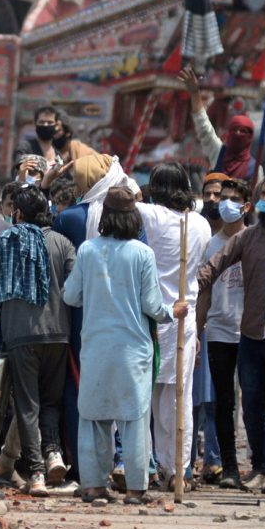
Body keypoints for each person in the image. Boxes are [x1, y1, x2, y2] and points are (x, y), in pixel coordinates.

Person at [63, 187, 181, 504]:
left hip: (97, 347)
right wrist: (174, 313)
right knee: (134, 420)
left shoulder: (87, 250)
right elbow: (153, 306)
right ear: (133, 218)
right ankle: (135, 489)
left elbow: (70, 296)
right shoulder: (142, 254)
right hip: (133, 349)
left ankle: (94, 485)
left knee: (93, 417)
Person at [0, 186, 76, 495]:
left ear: (17, 213)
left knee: (27, 405)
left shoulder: (3, 241)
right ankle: (53, 454)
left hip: (20, 335)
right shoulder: (62, 243)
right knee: (51, 401)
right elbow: (74, 287)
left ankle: (37, 474)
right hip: (58, 334)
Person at [197, 171, 265, 493]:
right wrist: (185, 289)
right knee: (251, 405)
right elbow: (213, 267)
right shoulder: (247, 237)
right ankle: (258, 466)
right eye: (263, 194)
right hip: (251, 334)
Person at [138, 164, 212, 490]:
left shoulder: (152, 216)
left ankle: (162, 466)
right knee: (177, 398)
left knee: (151, 397)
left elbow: (119, 194)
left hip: (156, 315)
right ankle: (177, 468)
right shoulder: (202, 223)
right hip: (186, 315)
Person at [195, 177, 249, 488]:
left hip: (252, 332)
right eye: (222, 197)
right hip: (218, 331)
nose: (224, 202)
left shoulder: (255, 240)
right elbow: (203, 292)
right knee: (223, 402)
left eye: (232, 197)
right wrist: (199, 331)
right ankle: (228, 466)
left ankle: (260, 467)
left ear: (246, 205)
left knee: (255, 402)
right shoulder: (209, 245)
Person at [180, 67, 259, 186]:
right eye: (234, 130)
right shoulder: (218, 152)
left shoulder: (256, 169)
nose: (238, 134)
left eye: (243, 131)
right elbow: (203, 126)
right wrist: (195, 93)